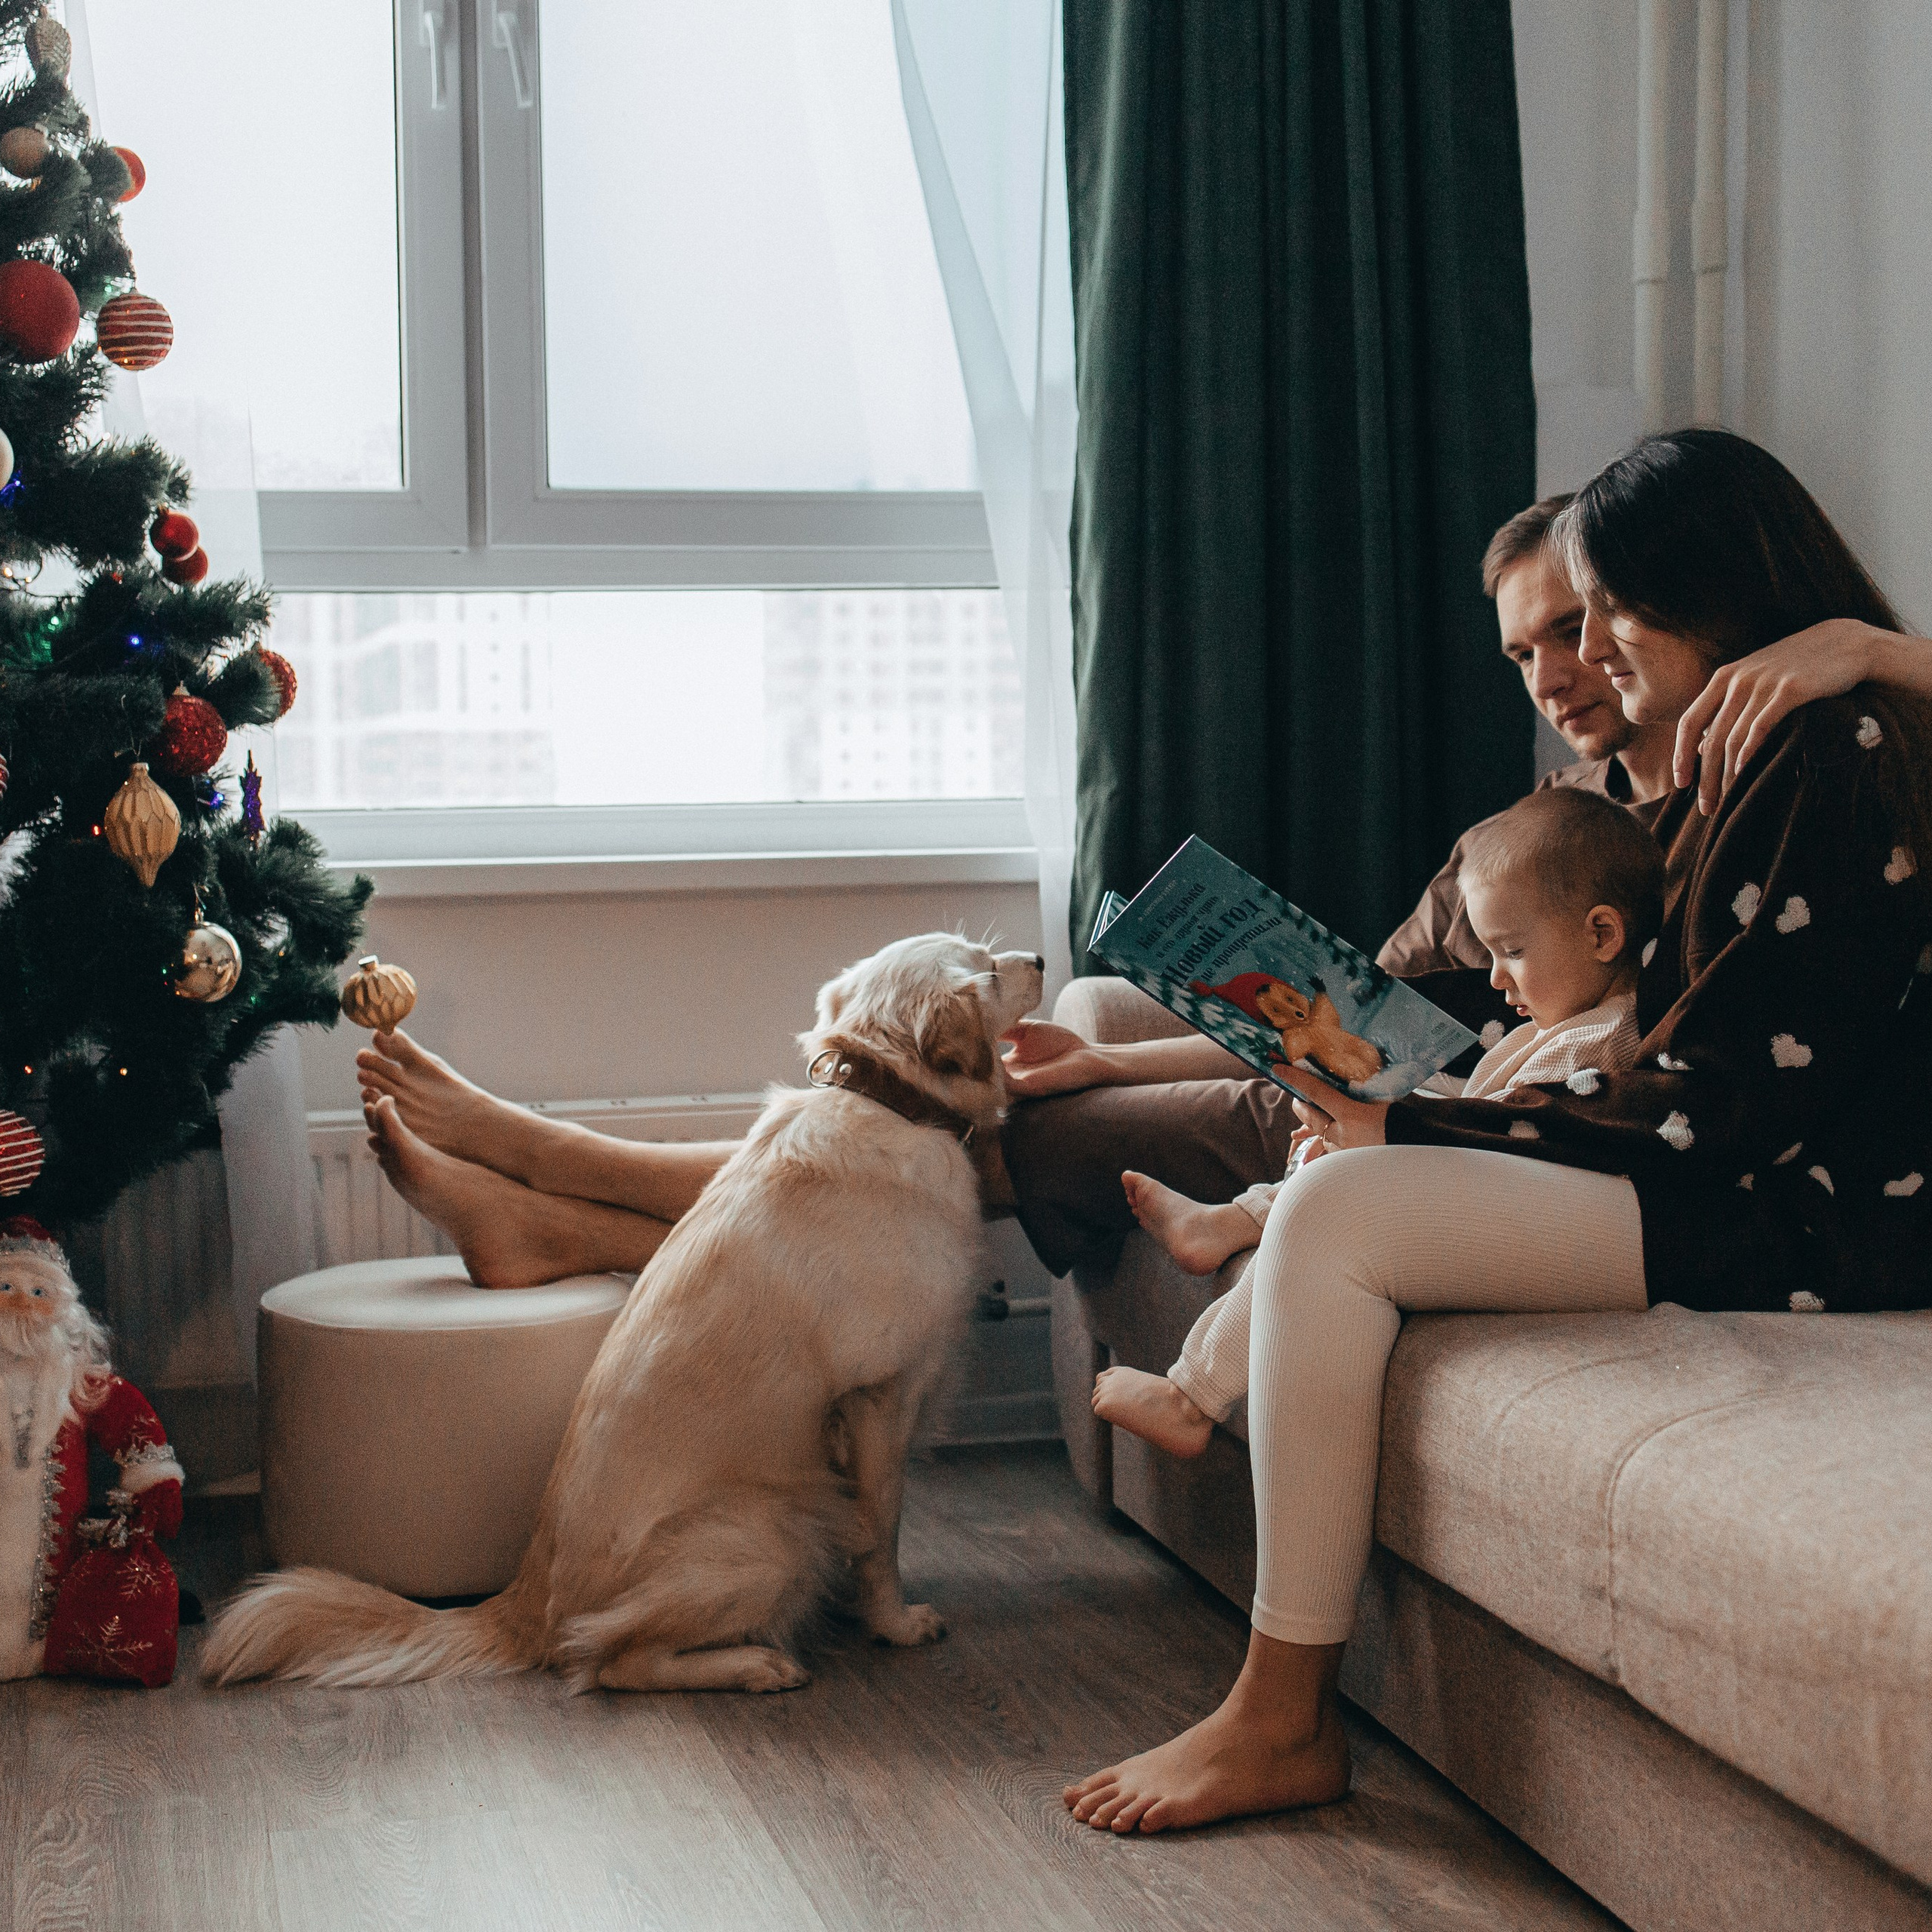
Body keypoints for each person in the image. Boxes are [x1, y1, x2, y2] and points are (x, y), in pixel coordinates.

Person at [1058, 426, 1932, 1836]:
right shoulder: (1711, 763)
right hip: (1722, 1169)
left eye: (1610, 613)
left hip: (1804, 1206)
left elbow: (1722, 1104)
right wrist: (1411, 1113)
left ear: (1714, 587)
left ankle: (1282, 1720)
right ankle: (1280, 1714)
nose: (1589, 650)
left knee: (1342, 1204)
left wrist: (1431, 1125)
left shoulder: (1835, 742)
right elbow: (1433, 1004)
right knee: (1341, 1179)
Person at [1094, 786, 1660, 1457]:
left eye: (1511, 951)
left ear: (1602, 934)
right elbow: (1487, 1112)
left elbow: (1510, 1143)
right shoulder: (1559, 1022)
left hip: (1523, 1215)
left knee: (1335, 1195)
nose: (1496, 980)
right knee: (1343, 1143)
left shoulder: (1601, 1040)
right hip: (1489, 1184)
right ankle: (1235, 1221)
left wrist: (1394, 1133)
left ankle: (1193, 1397)